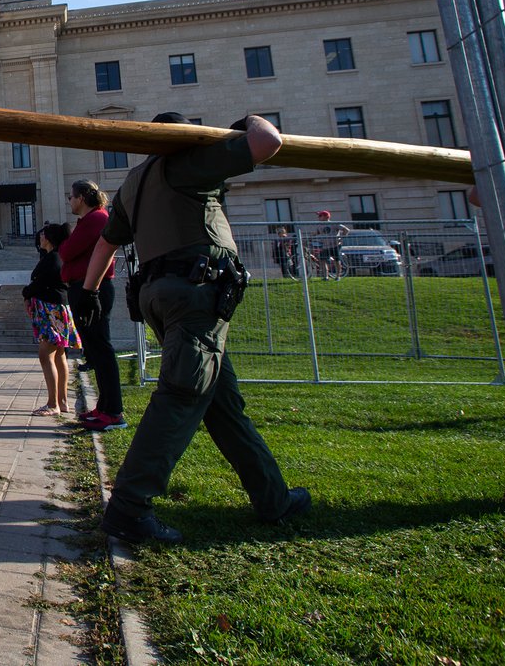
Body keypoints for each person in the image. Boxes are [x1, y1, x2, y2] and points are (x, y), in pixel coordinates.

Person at [73, 112, 310, 546]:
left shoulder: (135, 180)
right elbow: (267, 139)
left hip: (162, 294)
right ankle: (129, 506)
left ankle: (272, 498)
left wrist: (88, 292)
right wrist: (240, 124)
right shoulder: (186, 162)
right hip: (194, 294)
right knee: (182, 393)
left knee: (221, 402)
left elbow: (108, 240)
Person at [58, 180, 125, 432]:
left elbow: (66, 251)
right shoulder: (89, 220)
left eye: (71, 197)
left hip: (91, 288)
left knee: (101, 349)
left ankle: (113, 412)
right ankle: (105, 407)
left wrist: (65, 247)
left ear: (82, 198)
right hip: (84, 287)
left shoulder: (96, 219)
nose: (70, 201)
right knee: (95, 350)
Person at [24, 222, 80, 416]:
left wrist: (26, 293)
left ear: (48, 238)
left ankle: (52, 404)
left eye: (41, 235)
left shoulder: (53, 259)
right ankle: (62, 402)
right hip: (56, 309)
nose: (39, 238)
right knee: (59, 355)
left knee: (45, 354)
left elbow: (39, 283)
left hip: (51, 311)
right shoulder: (56, 257)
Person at [308, 210, 347, 280]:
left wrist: (341, 238)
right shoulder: (319, 226)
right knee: (322, 260)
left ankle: (338, 276)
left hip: (335, 245)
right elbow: (316, 233)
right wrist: (309, 238)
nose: (318, 217)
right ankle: (326, 276)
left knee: (336, 260)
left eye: (320, 216)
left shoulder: (334, 224)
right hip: (325, 246)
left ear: (326, 217)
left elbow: (346, 230)